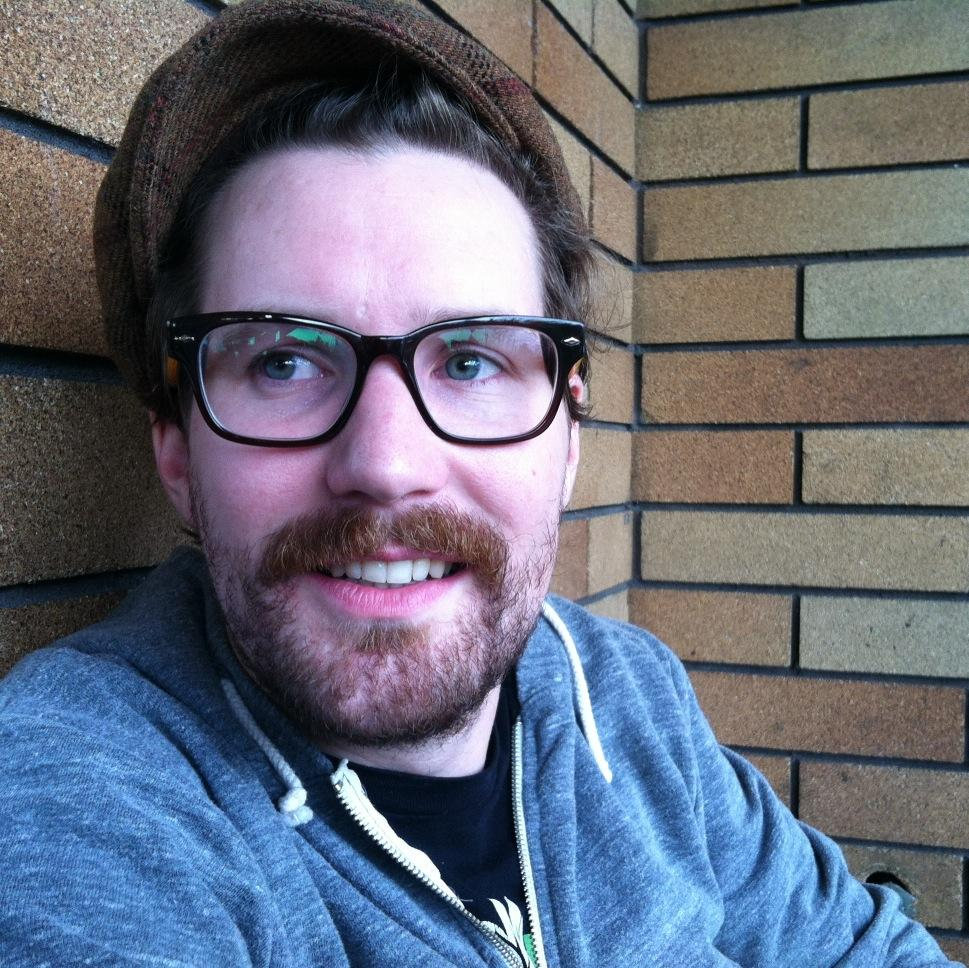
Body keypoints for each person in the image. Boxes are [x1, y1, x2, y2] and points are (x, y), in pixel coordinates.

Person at [0, 1, 959, 966]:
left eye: (469, 362)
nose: (386, 466)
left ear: (569, 434)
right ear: (175, 450)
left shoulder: (628, 693)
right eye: (284, 362)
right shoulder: (82, 794)